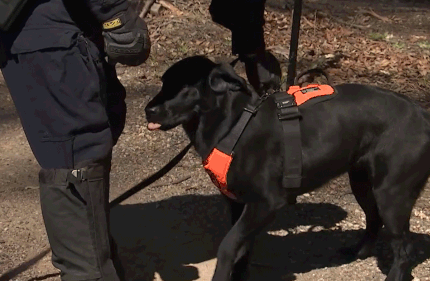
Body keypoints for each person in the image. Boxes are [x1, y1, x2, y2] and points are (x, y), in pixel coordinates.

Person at [0, 0, 280, 280]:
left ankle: (99, 254)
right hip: (34, 15)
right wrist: (114, 13)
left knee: (105, 113)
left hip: (79, 13)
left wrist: (251, 47)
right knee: (75, 141)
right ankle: (88, 274)